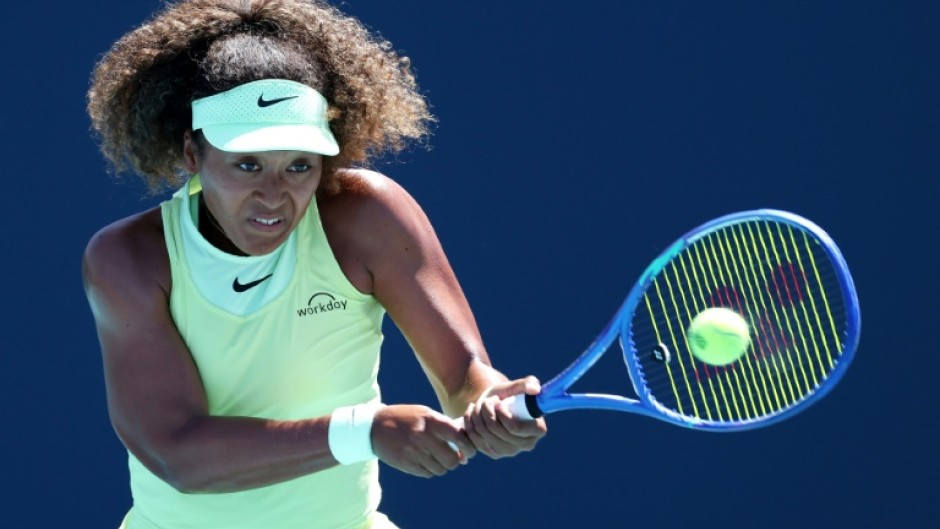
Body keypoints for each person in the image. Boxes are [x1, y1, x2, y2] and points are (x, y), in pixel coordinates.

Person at [82, 1, 547, 527]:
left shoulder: (367, 218)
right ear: (193, 154)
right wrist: (363, 430)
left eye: (299, 166)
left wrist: (491, 403)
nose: (273, 196)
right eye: (247, 165)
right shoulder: (131, 257)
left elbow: (464, 378)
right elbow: (177, 453)